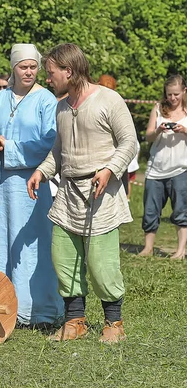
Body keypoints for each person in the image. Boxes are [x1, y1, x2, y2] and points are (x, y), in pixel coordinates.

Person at [27, 43, 138, 343]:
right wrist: (42, 171)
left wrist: (109, 169)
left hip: (100, 193)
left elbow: (129, 142)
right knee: (63, 257)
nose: (47, 78)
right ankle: (75, 321)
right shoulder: (62, 107)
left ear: (69, 71)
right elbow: (59, 152)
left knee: (101, 264)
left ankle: (114, 324)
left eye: (51, 73)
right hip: (67, 194)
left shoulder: (108, 100)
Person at [0, 43, 63, 327]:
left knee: (31, 245)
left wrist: (9, 146)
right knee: (2, 242)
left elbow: (51, 143)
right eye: (23, 66)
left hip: (31, 186)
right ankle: (2, 303)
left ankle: (38, 309)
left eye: (33, 67)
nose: (28, 72)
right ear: (13, 68)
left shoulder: (46, 100)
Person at [138, 75, 187, 260]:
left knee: (181, 210)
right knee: (150, 210)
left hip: (181, 169)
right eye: (169, 94)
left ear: (184, 91)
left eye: (176, 94)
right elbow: (148, 136)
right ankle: (148, 248)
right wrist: (158, 130)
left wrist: (184, 130)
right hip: (156, 168)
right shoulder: (158, 108)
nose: (172, 98)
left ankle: (180, 251)